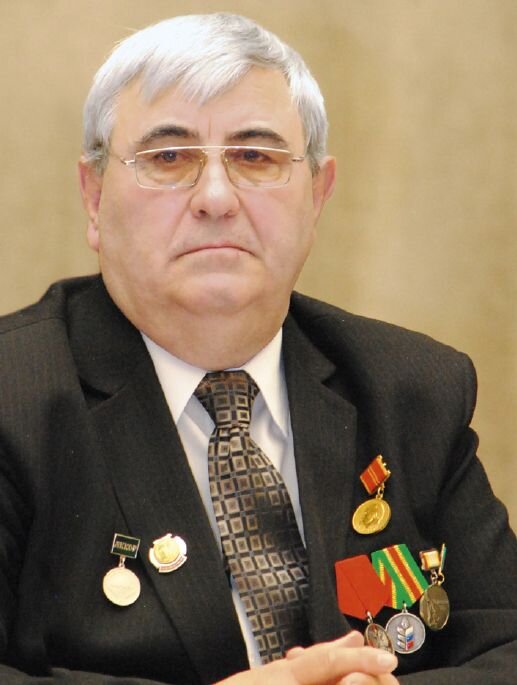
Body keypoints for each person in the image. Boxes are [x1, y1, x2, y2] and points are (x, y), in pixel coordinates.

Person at [0, 12, 515, 685]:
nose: (215, 198)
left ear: (317, 196)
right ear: (94, 198)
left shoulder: (411, 390)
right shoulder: (14, 397)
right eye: (168, 158)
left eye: (255, 157)